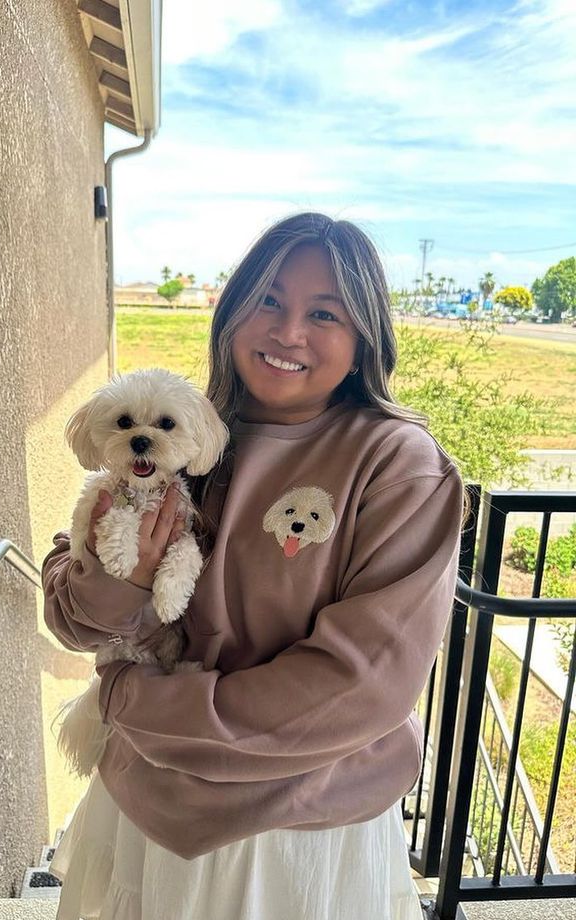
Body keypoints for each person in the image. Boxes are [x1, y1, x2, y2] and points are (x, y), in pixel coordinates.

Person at [43, 212, 464, 920]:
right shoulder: (184, 432)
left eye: (323, 312)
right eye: (268, 299)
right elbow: (71, 615)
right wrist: (125, 581)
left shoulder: (398, 465)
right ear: (234, 311)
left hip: (298, 830)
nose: (287, 330)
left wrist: (135, 704)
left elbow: (360, 683)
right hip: (145, 803)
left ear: (364, 339)